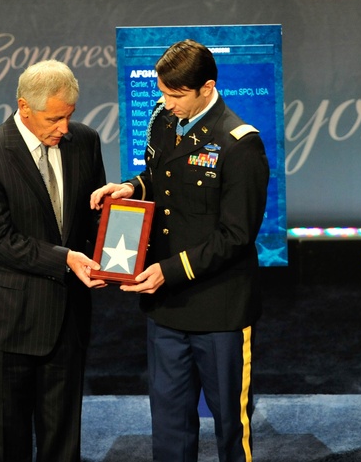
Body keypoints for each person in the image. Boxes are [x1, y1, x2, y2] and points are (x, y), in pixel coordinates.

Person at [90, 39, 269, 462]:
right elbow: (159, 176)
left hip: (220, 309)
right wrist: (132, 187)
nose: (166, 103)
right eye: (162, 92)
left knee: (230, 425)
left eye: (175, 95)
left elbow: (236, 235)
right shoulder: (163, 119)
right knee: (168, 425)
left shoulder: (240, 144)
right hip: (166, 307)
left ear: (206, 88)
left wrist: (169, 270)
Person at [0, 59, 107, 462]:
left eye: (70, 116)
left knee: (63, 444)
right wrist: (66, 259)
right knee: (8, 446)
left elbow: (93, 218)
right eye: (54, 118)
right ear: (24, 107)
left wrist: (114, 250)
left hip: (67, 319)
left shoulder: (85, 141)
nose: (64, 127)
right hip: (8, 324)